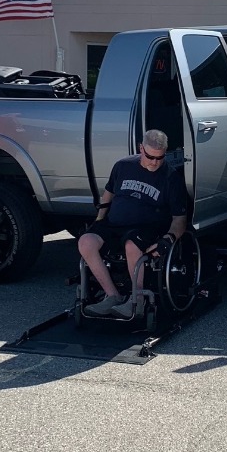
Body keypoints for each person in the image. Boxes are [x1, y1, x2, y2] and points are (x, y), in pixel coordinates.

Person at [77, 129, 188, 318]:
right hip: (115, 224)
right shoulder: (123, 166)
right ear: (141, 148)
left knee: (131, 244)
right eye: (150, 156)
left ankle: (137, 301)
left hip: (147, 227)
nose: (154, 162)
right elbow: (109, 193)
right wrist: (99, 219)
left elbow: (180, 219)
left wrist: (168, 239)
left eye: (159, 158)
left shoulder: (170, 177)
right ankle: (112, 296)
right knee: (85, 242)